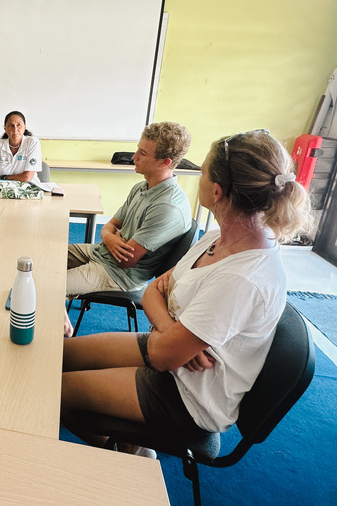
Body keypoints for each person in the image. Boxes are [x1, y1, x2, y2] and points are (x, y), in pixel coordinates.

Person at [60, 130, 312, 457]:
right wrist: (172, 332)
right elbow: (154, 290)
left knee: (53, 388)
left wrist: (171, 339)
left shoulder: (243, 277)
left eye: (203, 172)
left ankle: (131, 459)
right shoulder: (217, 238)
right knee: (57, 356)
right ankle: (129, 446)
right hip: (170, 354)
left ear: (217, 191)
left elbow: (163, 355)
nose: (196, 178)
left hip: (189, 396)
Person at [66, 121, 193, 299]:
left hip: (118, 274)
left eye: (142, 153)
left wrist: (109, 236)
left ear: (164, 162)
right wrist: (110, 238)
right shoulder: (142, 187)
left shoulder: (167, 207)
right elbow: (109, 226)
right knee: (46, 256)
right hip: (101, 252)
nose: (134, 157)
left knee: (48, 285)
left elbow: (125, 261)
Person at [0, 111, 42, 183]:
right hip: (4, 188)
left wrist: (3, 177)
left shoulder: (32, 142)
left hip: (28, 187)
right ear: (5, 129)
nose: (15, 129)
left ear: (24, 127)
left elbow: (27, 177)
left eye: (19, 125)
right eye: (11, 125)